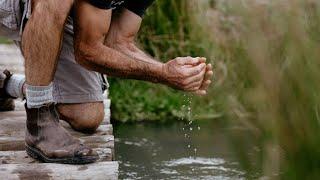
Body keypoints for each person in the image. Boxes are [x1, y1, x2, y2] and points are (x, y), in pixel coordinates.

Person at [0, 0, 213, 164]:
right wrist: (163, 73)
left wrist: (168, 70)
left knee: (87, 116)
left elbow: (118, 41)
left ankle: (7, 85)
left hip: (56, 13)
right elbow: (86, 52)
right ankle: (39, 120)